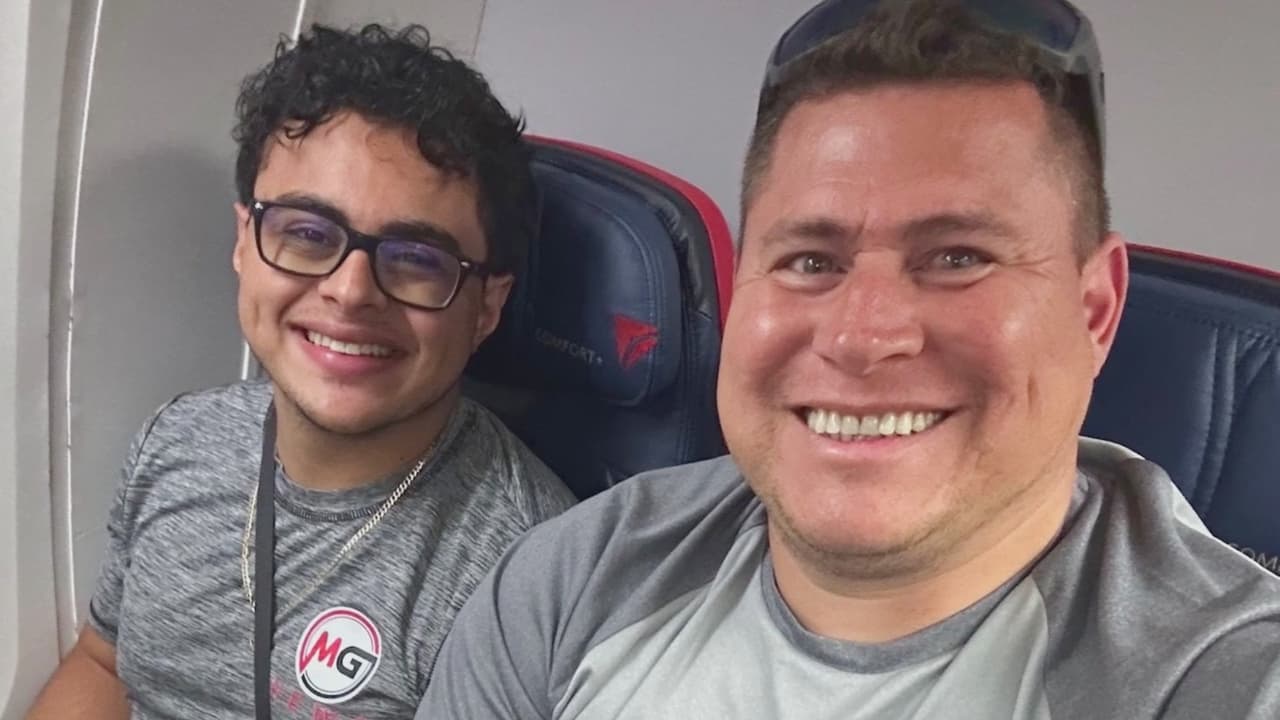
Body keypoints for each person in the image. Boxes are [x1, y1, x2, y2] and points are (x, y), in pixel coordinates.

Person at [416, 1, 1280, 718]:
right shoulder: (573, 579)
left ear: (1094, 310)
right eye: (810, 260)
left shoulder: (1219, 677)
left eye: (959, 257)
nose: (860, 337)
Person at [27, 22, 576, 720]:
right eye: (309, 234)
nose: (350, 291)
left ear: (487, 307)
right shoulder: (178, 440)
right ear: (244, 243)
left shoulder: (529, 577)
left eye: (416, 258)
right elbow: (103, 660)